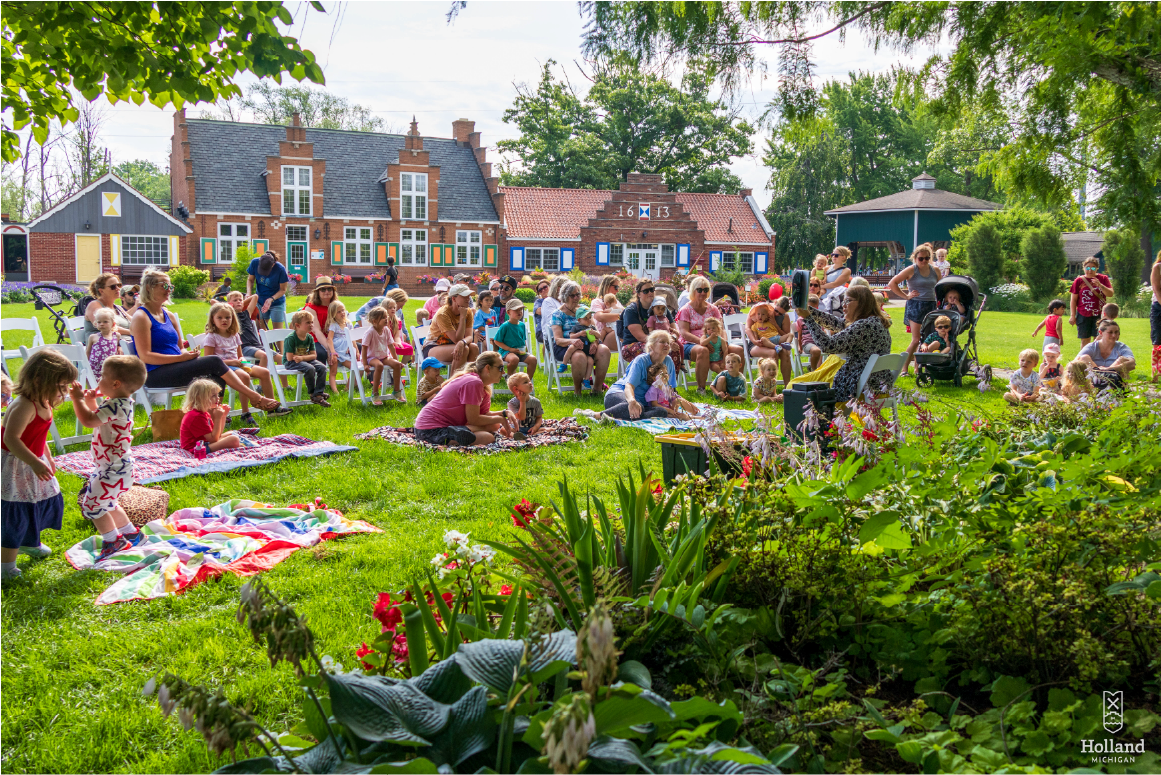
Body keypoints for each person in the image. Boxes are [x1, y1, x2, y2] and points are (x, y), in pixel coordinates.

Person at [131, 269, 282, 413]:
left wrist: (187, 354)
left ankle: (214, 417)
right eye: (164, 285)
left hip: (177, 366)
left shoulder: (168, 315)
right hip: (155, 374)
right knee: (214, 362)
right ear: (149, 288)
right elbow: (145, 356)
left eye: (170, 285)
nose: (169, 289)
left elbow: (180, 348)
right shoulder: (141, 317)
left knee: (216, 375)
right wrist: (180, 358)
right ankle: (255, 397)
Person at [1, 350, 77, 580]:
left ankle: (29, 542)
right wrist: (34, 462)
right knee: (16, 512)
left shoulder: (42, 401)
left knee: (39, 501)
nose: (63, 392)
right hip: (16, 464)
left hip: (32, 460)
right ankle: (5, 566)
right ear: (38, 380)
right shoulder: (25, 405)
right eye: (60, 386)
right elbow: (11, 439)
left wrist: (48, 457)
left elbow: (39, 435)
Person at [69, 355, 148, 559]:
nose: (99, 380)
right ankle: (132, 534)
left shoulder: (114, 405)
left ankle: (113, 542)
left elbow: (89, 420)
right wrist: (90, 401)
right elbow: (100, 418)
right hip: (116, 466)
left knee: (92, 506)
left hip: (112, 469)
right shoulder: (119, 402)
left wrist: (77, 399)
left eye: (102, 376)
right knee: (109, 503)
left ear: (115, 383)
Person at [794, 284, 893, 405]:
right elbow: (837, 322)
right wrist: (809, 310)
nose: (843, 305)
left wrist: (808, 318)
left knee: (797, 387)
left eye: (847, 301)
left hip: (860, 385)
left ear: (862, 303)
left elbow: (828, 346)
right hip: (877, 382)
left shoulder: (864, 325)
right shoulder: (875, 321)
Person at [584, 330, 698, 422]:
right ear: (651, 346)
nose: (666, 345)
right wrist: (632, 401)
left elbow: (670, 392)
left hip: (644, 404)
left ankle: (617, 417)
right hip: (620, 394)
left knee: (661, 412)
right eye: (662, 342)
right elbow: (629, 386)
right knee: (636, 407)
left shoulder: (669, 362)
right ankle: (595, 414)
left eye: (668, 342)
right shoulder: (641, 360)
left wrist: (686, 407)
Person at [202, 301, 287, 422]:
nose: (224, 320)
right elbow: (208, 361)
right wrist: (233, 363)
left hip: (238, 364)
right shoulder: (212, 337)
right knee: (244, 376)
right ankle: (245, 413)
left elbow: (240, 355)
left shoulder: (234, 335)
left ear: (233, 318)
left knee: (264, 372)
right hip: (224, 367)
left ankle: (271, 409)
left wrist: (242, 361)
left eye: (227, 317)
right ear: (212, 319)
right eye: (219, 318)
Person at [414, 351, 512, 446]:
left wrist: (504, 413)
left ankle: (458, 432)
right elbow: (474, 419)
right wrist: (500, 419)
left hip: (429, 426)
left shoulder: (481, 386)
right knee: (488, 437)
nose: (503, 372)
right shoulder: (473, 382)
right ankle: (456, 434)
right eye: (500, 368)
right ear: (487, 368)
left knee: (493, 425)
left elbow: (483, 414)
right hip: (430, 430)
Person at [677, 275, 742, 392]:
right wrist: (703, 343)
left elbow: (721, 329)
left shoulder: (713, 309)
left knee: (738, 349)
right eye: (700, 290)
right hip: (690, 343)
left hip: (716, 342)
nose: (703, 293)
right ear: (693, 291)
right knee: (703, 350)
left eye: (706, 290)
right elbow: (684, 333)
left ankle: (736, 385)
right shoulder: (685, 310)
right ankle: (701, 388)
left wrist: (724, 344)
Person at [886, 243, 940, 376]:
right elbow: (892, 283)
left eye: (927, 258)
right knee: (916, 339)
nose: (924, 261)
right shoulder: (911, 270)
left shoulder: (935, 270)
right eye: (921, 258)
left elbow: (940, 287)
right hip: (916, 305)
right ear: (915, 258)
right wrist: (906, 296)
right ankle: (904, 369)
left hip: (931, 305)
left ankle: (918, 368)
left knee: (926, 340)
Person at [551, 282, 611, 396]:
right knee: (579, 355)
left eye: (578, 294)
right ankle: (577, 391)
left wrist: (595, 342)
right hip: (566, 347)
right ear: (564, 296)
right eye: (572, 295)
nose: (576, 298)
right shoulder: (558, 314)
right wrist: (572, 341)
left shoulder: (585, 309)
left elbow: (594, 330)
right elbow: (558, 340)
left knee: (604, 350)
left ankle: (597, 389)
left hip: (588, 344)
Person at [618, 279, 683, 369]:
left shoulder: (662, 308)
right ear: (638, 294)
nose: (650, 293)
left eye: (652, 289)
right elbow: (640, 337)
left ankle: (668, 381)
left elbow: (673, 330)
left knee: (674, 349)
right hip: (632, 345)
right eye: (645, 291)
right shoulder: (631, 310)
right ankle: (652, 380)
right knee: (656, 350)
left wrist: (672, 340)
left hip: (660, 342)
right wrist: (661, 343)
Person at [180, 379, 247, 453]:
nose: (218, 398)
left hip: (205, 443)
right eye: (213, 396)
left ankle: (235, 444)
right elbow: (214, 439)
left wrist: (223, 416)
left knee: (231, 433)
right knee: (234, 439)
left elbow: (217, 435)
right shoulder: (196, 416)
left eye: (217, 395)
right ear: (200, 398)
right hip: (196, 448)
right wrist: (218, 418)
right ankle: (237, 445)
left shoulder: (204, 413)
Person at [425, 284, 479, 372]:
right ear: (453, 298)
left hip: (454, 345)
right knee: (464, 349)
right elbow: (457, 340)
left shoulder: (467, 311)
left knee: (474, 347)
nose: (468, 299)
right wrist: (462, 317)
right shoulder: (443, 314)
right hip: (433, 346)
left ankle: (468, 380)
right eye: (464, 296)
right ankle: (453, 382)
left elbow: (470, 337)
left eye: (468, 296)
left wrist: (463, 342)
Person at [284, 310, 332, 407]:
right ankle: (312, 393)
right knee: (310, 368)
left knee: (322, 367)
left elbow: (314, 356)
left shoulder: (309, 337)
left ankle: (318, 393)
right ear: (297, 325)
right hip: (291, 363)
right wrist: (303, 358)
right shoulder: (291, 338)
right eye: (308, 322)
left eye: (312, 322)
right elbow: (289, 358)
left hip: (303, 360)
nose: (311, 324)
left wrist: (302, 358)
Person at [362, 307, 405, 404]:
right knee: (379, 366)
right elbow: (364, 349)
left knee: (397, 365)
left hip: (383, 356)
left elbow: (391, 346)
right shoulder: (370, 332)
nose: (386, 319)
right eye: (383, 318)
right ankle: (375, 393)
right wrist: (365, 364)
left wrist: (395, 360)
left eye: (386, 317)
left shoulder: (386, 330)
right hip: (371, 357)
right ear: (375, 321)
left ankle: (396, 391)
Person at [1076, 319, 1135, 389]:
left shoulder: (1122, 347)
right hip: (1092, 382)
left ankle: (1118, 391)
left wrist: (1109, 369)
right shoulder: (1092, 347)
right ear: (1100, 333)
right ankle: (1093, 386)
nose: (1114, 335)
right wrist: (1098, 370)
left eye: (1116, 332)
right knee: (1084, 358)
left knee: (1123, 360)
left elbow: (1132, 364)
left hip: (1114, 382)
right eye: (1110, 332)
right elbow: (1074, 363)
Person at [1069, 256, 1113, 345]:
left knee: (1098, 340)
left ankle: (1097, 359)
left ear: (1097, 268)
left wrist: (1100, 285)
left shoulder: (1103, 278)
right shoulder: (1079, 281)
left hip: (1100, 314)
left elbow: (1110, 294)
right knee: (1085, 340)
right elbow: (1073, 300)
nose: (1090, 270)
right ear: (1084, 268)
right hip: (1083, 314)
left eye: (1093, 268)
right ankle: (1084, 358)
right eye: (1087, 268)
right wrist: (1073, 315)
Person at [493, 298, 538, 379]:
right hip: (506, 351)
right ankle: (510, 377)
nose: (519, 311)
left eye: (521, 309)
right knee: (514, 359)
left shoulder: (522, 325)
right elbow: (497, 341)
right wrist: (510, 349)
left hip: (520, 351)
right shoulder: (505, 326)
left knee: (533, 359)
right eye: (516, 310)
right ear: (508, 312)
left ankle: (527, 381)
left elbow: (523, 340)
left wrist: (526, 351)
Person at [247, 250, 290, 328]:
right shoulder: (255, 263)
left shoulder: (280, 269)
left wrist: (271, 299)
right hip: (260, 301)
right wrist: (248, 293)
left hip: (277, 303)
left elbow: (283, 290)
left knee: (277, 333)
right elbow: (250, 280)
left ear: (273, 265)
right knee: (260, 330)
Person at [83, 273, 133, 338]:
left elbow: (133, 321)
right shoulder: (94, 305)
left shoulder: (118, 307)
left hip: (124, 343)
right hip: (103, 345)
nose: (117, 288)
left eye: (119, 285)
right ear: (101, 291)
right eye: (113, 287)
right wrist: (132, 332)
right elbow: (108, 327)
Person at [303, 277, 338, 367]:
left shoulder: (335, 305)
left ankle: (372, 379)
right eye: (323, 289)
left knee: (358, 347)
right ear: (317, 292)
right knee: (321, 353)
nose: (327, 291)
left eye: (329, 289)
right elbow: (317, 331)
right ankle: (319, 380)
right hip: (312, 338)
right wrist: (329, 349)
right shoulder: (310, 308)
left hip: (331, 336)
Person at [325, 301, 355, 394]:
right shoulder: (334, 325)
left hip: (346, 351)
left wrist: (356, 350)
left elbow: (352, 338)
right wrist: (333, 352)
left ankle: (347, 388)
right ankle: (335, 391)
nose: (342, 313)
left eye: (343, 310)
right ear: (333, 314)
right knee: (333, 371)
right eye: (339, 312)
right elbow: (329, 339)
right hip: (336, 351)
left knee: (354, 368)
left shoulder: (349, 324)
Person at [86, 307, 122, 379]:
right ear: (96, 323)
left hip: (109, 368)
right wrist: (86, 366)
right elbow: (88, 352)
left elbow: (118, 345)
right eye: (99, 322)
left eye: (105, 322)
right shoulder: (93, 337)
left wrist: (119, 347)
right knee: (94, 387)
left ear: (113, 323)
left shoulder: (116, 336)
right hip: (95, 368)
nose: (102, 324)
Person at [591, 275, 624, 351]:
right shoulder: (597, 302)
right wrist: (621, 316)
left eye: (618, 287)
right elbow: (600, 317)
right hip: (604, 336)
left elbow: (626, 314)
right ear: (607, 286)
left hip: (617, 331)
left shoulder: (616, 302)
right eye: (616, 287)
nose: (617, 290)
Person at [506, 372, 543, 437]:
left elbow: (539, 417)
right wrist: (522, 401)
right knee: (504, 430)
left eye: (529, 381)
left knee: (549, 429)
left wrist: (535, 427)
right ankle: (517, 436)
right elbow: (521, 417)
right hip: (516, 429)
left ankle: (525, 436)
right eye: (526, 382)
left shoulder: (536, 401)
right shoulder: (512, 403)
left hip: (531, 428)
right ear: (516, 389)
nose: (530, 383)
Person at [819, 246, 853, 314]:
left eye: (836, 255)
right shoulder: (826, 268)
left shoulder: (846, 271)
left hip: (833, 304)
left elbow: (835, 284)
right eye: (832, 255)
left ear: (843, 257)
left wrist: (819, 286)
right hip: (820, 300)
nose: (833, 257)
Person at [384, 288, 415, 360]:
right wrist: (392, 343)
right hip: (383, 343)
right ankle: (391, 367)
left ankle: (399, 368)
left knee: (409, 348)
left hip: (394, 342)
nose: (393, 309)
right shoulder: (382, 320)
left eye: (394, 307)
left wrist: (398, 343)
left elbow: (397, 336)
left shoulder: (397, 321)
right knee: (389, 350)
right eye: (390, 308)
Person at [796, 294, 824, 371]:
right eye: (808, 308)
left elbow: (823, 331)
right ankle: (814, 370)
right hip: (808, 343)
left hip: (819, 342)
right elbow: (800, 335)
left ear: (817, 307)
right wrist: (799, 347)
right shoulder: (801, 320)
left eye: (812, 308)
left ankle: (823, 371)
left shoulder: (820, 318)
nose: (810, 311)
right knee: (816, 351)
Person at [1151, 249, 1161, 382]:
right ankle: (1156, 375)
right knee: (1158, 340)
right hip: (1159, 307)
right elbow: (1156, 289)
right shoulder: (1158, 267)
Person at [533, 279, 551, 345]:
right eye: (540, 290)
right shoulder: (539, 302)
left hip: (556, 328)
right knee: (549, 338)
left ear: (550, 287)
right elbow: (539, 311)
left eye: (545, 287)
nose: (543, 290)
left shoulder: (556, 299)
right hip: (542, 331)